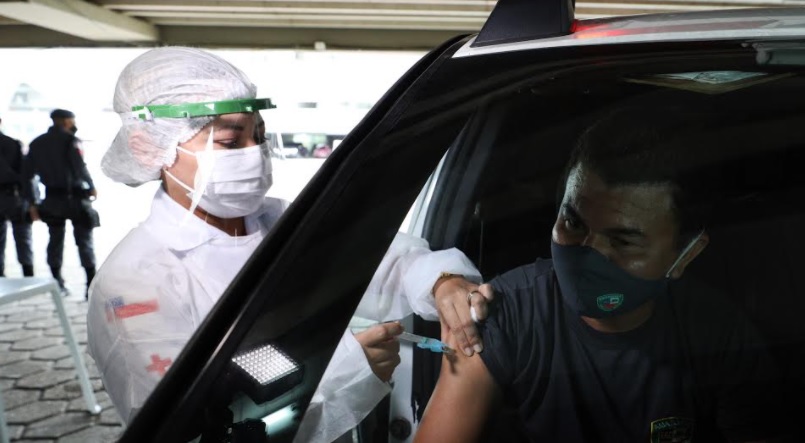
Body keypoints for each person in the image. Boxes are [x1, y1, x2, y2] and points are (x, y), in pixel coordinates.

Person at [86, 47, 488, 443]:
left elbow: (377, 262)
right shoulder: (132, 284)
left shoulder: (282, 221)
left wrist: (441, 281)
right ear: (148, 147)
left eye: (259, 136)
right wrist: (344, 372)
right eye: (229, 142)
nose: (254, 154)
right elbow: (193, 424)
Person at [415, 107, 784, 443]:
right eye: (573, 223)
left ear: (686, 254)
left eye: (623, 241)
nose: (587, 254)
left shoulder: (719, 334)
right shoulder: (504, 314)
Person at [23, 109, 98, 297]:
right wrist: (91, 186)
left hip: (52, 200)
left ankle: (58, 284)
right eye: (72, 120)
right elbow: (79, 167)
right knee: (84, 242)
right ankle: (90, 285)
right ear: (65, 121)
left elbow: (28, 176)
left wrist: (33, 202)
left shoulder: (37, 143)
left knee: (55, 241)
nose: (74, 124)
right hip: (76, 200)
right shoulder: (71, 141)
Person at [0, 116, 34, 277]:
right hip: (13, 197)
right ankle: (28, 274)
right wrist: (31, 201)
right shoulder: (12, 144)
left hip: (11, 195)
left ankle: (1, 277)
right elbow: (25, 175)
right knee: (23, 236)